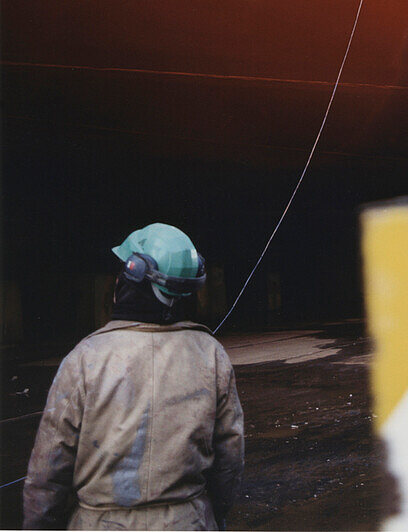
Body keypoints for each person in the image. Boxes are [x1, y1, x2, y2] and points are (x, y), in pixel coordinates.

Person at [23, 223, 244, 531]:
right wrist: (207, 515)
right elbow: (229, 460)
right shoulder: (211, 355)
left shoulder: (86, 358)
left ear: (132, 274)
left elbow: (47, 473)